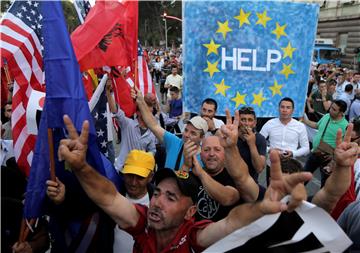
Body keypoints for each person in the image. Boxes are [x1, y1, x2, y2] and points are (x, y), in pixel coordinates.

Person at [57, 114, 312, 253]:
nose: (157, 202)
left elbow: (231, 222)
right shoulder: (144, 223)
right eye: (157, 193)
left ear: (191, 211)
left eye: (171, 198)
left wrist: (261, 208)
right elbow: (109, 198)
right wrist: (80, 166)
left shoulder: (194, 237)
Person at [133, 86, 208, 170]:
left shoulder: (205, 158)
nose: (187, 135)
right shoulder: (174, 142)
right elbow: (153, 125)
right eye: (186, 130)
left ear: (202, 137)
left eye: (193, 133)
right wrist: (140, 101)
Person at [105, 80, 157, 172]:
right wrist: (108, 92)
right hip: (122, 170)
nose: (149, 114)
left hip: (139, 171)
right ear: (138, 112)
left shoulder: (152, 132)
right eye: (145, 111)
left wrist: (146, 158)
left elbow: (152, 150)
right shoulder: (128, 124)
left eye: (150, 111)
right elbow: (115, 111)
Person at [114, 150, 155, 253]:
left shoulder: (159, 202)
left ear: (150, 177)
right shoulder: (114, 194)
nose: (133, 182)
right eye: (129, 175)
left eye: (140, 177)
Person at [302, 100, 348, 186]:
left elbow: (343, 146)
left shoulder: (345, 126)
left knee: (324, 184)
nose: (330, 110)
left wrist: (334, 160)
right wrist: (304, 121)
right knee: (303, 177)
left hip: (328, 159)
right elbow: (316, 125)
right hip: (315, 152)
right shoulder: (327, 116)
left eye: (334, 109)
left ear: (341, 112)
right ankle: (294, 195)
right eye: (331, 107)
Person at [237, 106, 266, 183]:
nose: (246, 123)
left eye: (250, 120)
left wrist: (252, 144)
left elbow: (259, 168)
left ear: (255, 123)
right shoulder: (231, 136)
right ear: (237, 121)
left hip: (251, 183)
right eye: (243, 120)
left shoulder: (260, 139)